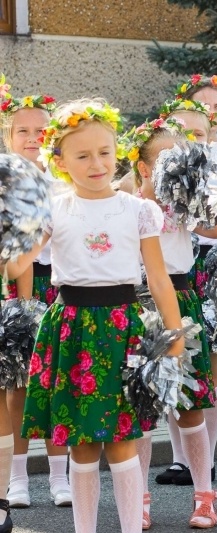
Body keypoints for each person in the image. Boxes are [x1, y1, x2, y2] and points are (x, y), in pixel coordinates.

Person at [2, 98, 185, 533]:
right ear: (60, 162)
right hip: (71, 329)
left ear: (116, 152)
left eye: (104, 152)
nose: (96, 163)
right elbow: (16, 266)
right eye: (82, 155)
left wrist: (174, 333)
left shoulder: (138, 210)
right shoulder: (53, 209)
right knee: (80, 443)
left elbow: (158, 280)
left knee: (122, 439)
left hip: (122, 327)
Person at [126, 116, 217, 529]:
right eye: (167, 159)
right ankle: (139, 499)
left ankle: (204, 495)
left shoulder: (186, 203)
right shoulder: (125, 201)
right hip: (133, 303)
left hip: (181, 300)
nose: (176, 166)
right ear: (145, 168)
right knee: (140, 409)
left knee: (188, 405)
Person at [0, 82, 72, 509]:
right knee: (17, 387)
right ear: (8, 138)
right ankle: (17, 478)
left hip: (60, 288)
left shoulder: (65, 184)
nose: (32, 139)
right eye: (21, 131)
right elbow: (12, 258)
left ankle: (60, 477)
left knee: (57, 380)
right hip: (18, 290)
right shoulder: (5, 184)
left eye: (40, 131)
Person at [149, 99, 217, 492]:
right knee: (161, 377)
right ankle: (182, 458)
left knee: (205, 376)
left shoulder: (209, 177)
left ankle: (204, 461)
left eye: (198, 133)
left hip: (199, 278)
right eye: (182, 132)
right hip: (157, 285)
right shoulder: (150, 184)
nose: (190, 141)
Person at [175, 74, 217, 431]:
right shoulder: (176, 151)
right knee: (188, 333)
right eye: (205, 106)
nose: (213, 113)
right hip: (184, 255)